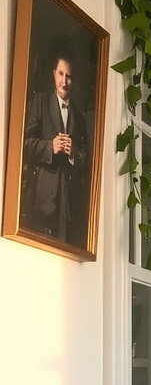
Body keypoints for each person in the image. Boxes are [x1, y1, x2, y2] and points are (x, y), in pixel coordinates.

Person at [20, 47, 89, 247]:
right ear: (53, 74)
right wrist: (51, 146)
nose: (64, 82)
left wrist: (73, 154)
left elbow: (85, 160)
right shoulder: (40, 102)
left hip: (68, 205)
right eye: (61, 74)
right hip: (42, 198)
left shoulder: (80, 118)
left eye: (69, 77)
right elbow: (24, 145)